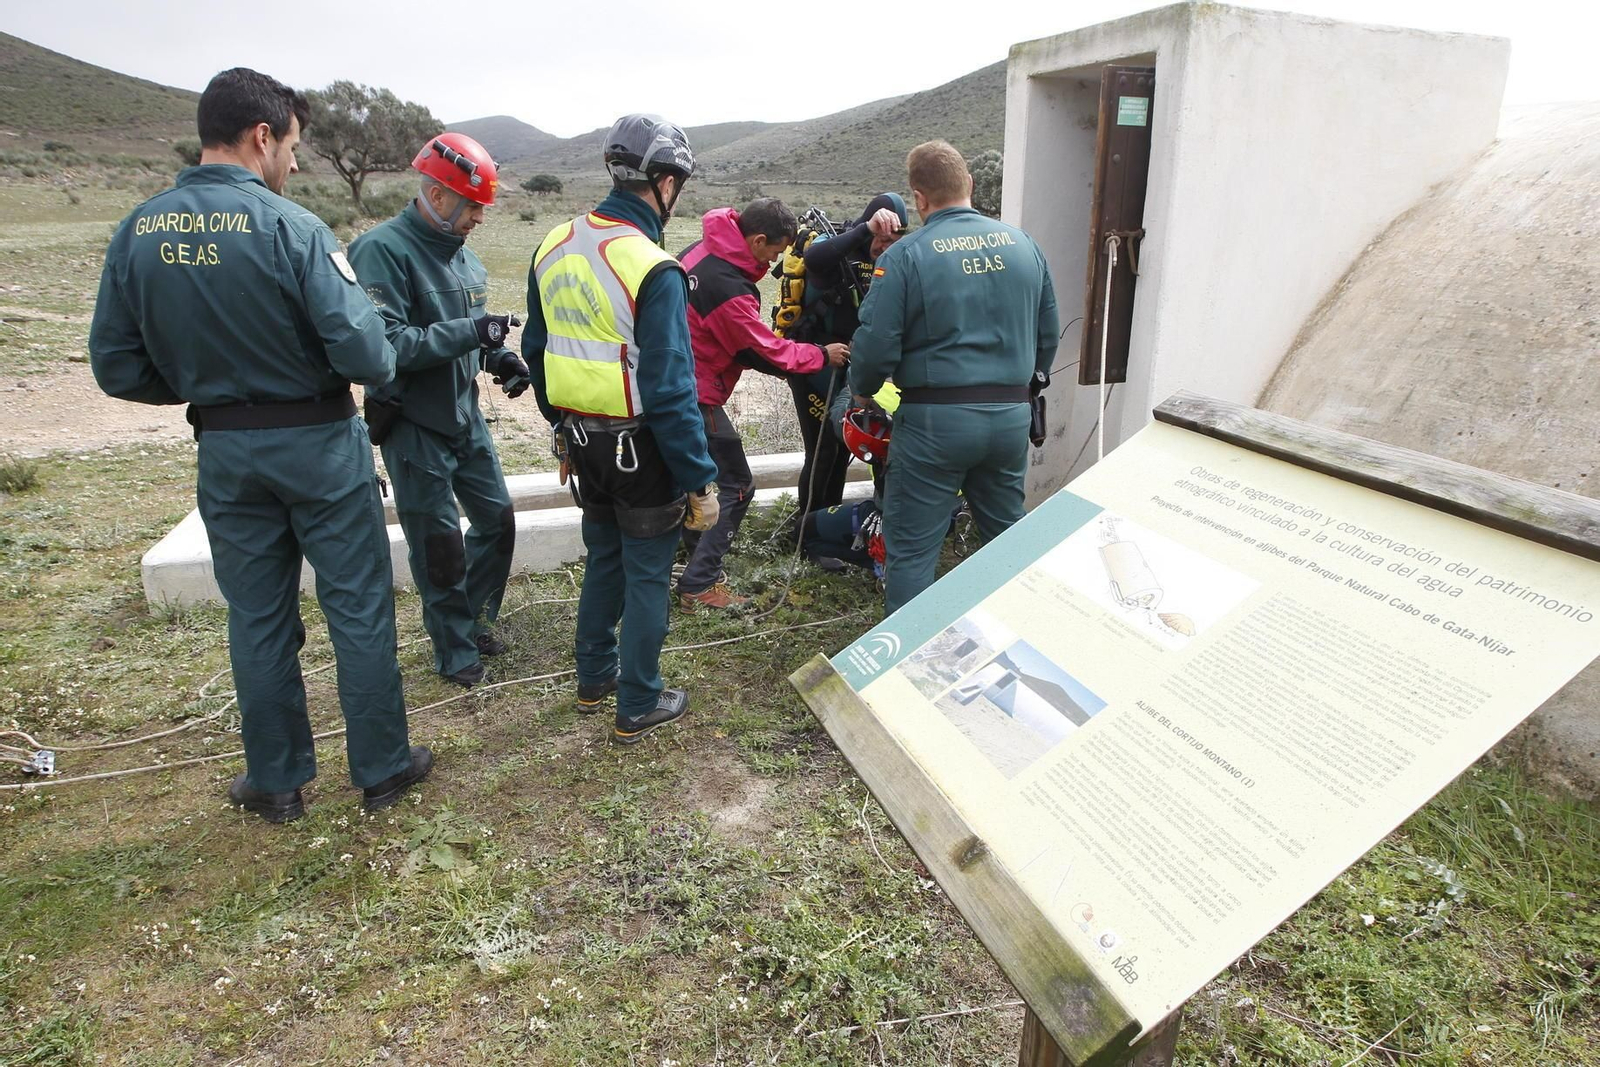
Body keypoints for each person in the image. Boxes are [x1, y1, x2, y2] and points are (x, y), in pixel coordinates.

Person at [88, 67, 431, 823]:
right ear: (262, 136)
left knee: (257, 616)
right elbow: (370, 358)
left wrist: (201, 383)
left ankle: (275, 783)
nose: (296, 164)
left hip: (225, 451)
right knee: (359, 608)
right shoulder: (293, 228)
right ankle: (381, 767)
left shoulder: (138, 229)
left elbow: (116, 366)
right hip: (318, 446)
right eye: (294, 146)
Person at [521, 113, 719, 745]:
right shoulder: (653, 266)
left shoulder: (552, 244)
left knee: (604, 555)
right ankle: (637, 700)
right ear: (664, 180)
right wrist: (700, 479)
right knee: (647, 573)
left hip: (583, 442)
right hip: (643, 451)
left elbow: (536, 348)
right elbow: (670, 386)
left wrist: (561, 427)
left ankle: (593, 678)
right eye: (678, 182)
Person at [848, 141, 1059, 615]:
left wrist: (861, 390)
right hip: (1010, 417)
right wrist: (1025, 388)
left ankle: (905, 664)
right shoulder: (1025, 246)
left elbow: (875, 345)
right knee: (1007, 538)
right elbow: (1048, 335)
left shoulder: (906, 255)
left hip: (934, 424)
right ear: (970, 186)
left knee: (913, 548)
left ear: (919, 199)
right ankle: (1017, 634)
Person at [348, 132, 527, 689]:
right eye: (473, 205)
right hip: (413, 421)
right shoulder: (380, 251)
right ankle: (452, 645)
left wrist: (498, 356)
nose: (480, 217)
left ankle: (473, 620)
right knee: (439, 542)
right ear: (438, 194)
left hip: (464, 414)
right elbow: (388, 348)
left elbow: (471, 334)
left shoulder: (467, 259)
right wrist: (471, 332)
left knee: (497, 520)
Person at [677, 198, 849, 609]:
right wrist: (821, 355)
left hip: (670, 382)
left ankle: (696, 560)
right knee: (738, 485)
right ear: (756, 239)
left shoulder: (698, 251)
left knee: (689, 480)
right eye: (774, 251)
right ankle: (698, 584)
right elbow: (764, 350)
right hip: (694, 394)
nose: (775, 260)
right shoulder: (728, 288)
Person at [787, 194, 908, 524]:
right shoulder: (840, 250)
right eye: (881, 240)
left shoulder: (890, 262)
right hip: (817, 365)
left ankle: (822, 525)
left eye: (894, 242)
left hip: (853, 369)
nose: (886, 249)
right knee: (823, 449)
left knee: (843, 450)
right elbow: (814, 259)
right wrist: (864, 229)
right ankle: (807, 531)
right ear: (868, 231)